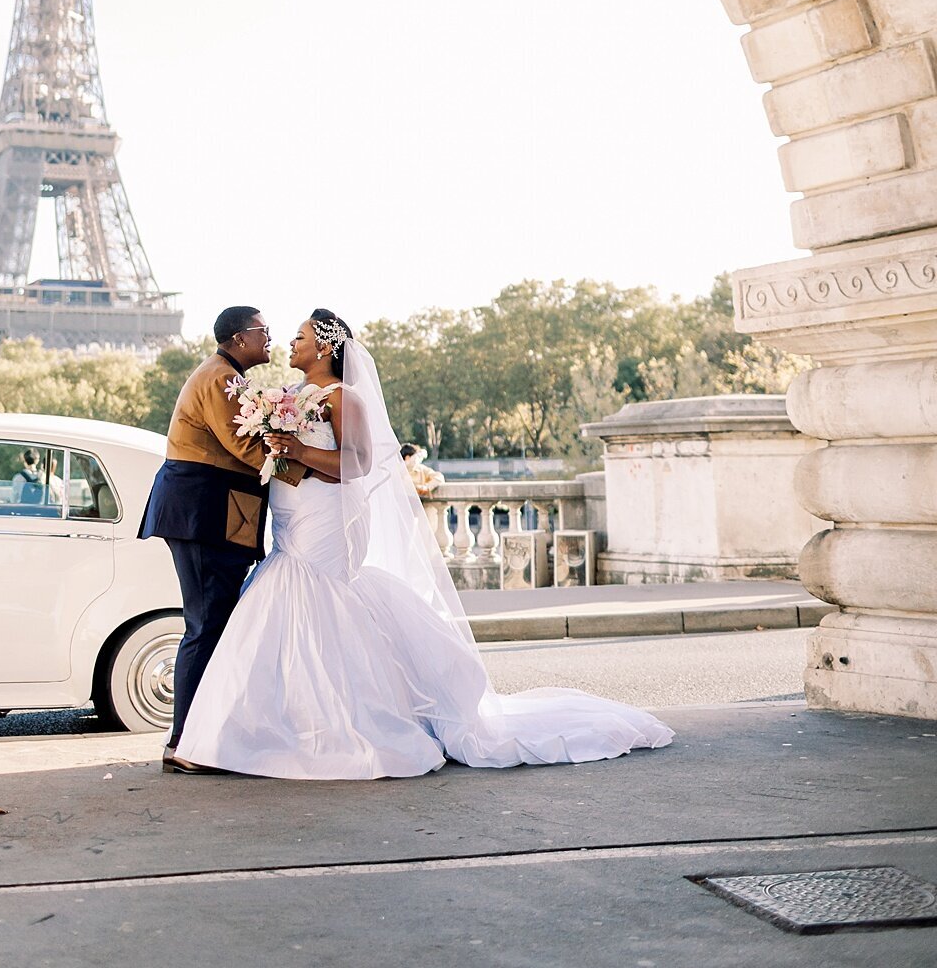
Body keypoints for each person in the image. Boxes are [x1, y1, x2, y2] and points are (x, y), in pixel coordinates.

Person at [177, 311, 674, 779]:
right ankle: (279, 724)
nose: (291, 341)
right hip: (293, 509)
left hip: (325, 516)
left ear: (326, 347)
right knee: (288, 599)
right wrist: (279, 455)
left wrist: (296, 450)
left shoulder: (344, 396)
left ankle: (329, 724)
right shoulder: (293, 392)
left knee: (318, 595)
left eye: (301, 337)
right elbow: (281, 462)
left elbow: (359, 465)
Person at [139, 305, 306, 772]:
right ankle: (183, 743)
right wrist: (309, 469)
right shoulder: (219, 379)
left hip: (211, 511)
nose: (269, 339)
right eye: (263, 331)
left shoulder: (226, 375)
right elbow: (247, 448)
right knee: (206, 624)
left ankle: (200, 737)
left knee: (213, 622)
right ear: (238, 338)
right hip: (201, 512)